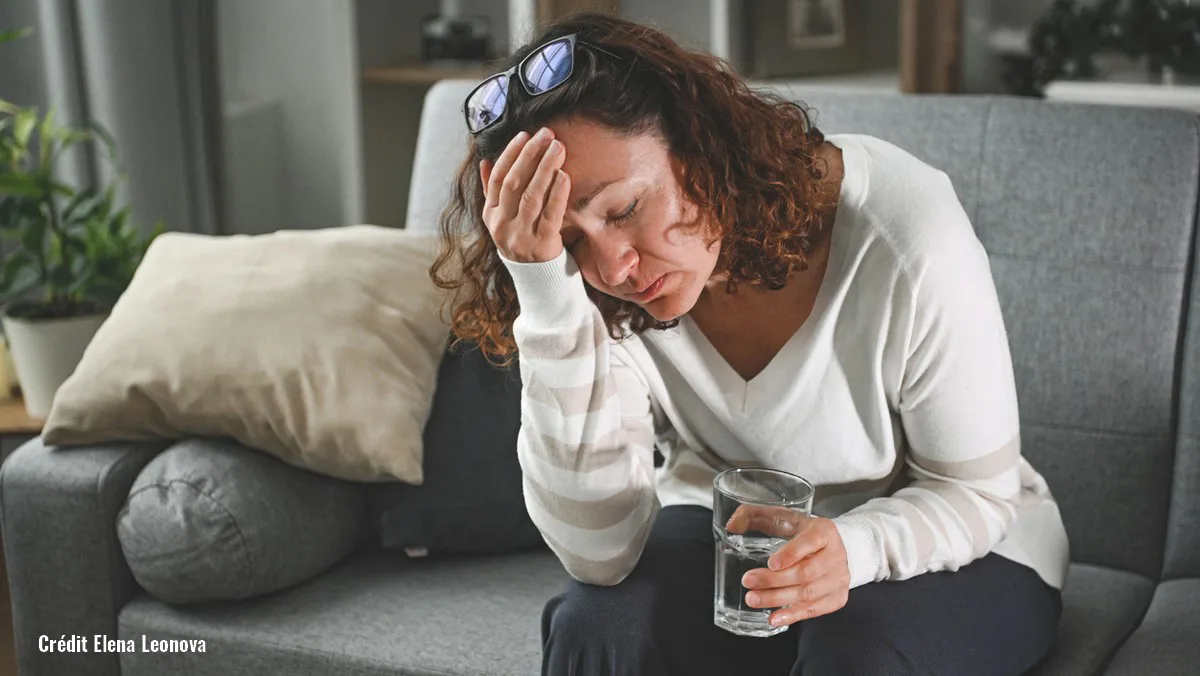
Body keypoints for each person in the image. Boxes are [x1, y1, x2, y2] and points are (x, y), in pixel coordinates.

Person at [431, 12, 1068, 676]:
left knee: (856, 651)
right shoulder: (596, 290)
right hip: (735, 536)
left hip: (957, 543)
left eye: (623, 210)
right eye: (570, 241)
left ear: (699, 146)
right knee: (598, 625)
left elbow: (976, 494)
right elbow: (601, 552)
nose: (615, 265)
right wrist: (546, 292)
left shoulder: (906, 232)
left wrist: (853, 550)